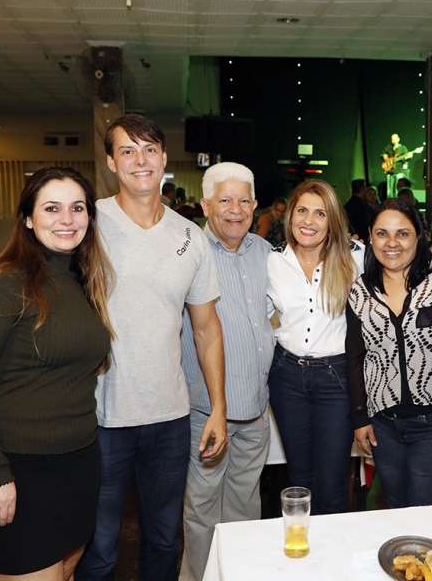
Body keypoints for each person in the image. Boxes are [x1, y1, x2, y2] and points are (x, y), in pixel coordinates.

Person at [0, 114, 229, 581]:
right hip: (97, 419)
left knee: (161, 538)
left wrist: (217, 406)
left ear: (163, 159)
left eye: (150, 150)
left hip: (168, 416)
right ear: (111, 163)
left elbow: (207, 329)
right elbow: (21, 270)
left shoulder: (190, 236)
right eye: (127, 151)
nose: (140, 161)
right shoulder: (85, 222)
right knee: (96, 549)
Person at [0, 167, 113, 579]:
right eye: (52, 208)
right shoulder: (5, 286)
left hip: (76, 468)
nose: (67, 219)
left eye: (77, 208)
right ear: (27, 218)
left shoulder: (83, 282)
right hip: (16, 475)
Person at [178, 163, 274, 581]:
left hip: (256, 411)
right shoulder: (187, 253)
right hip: (206, 412)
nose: (234, 210)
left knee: (245, 508)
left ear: (254, 205)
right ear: (205, 205)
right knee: (201, 513)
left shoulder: (265, 253)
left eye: (243, 200)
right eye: (224, 200)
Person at [346, 201, 432, 508]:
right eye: (382, 233)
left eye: (403, 233)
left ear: (419, 237)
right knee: (396, 509)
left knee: (426, 510)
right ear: (370, 238)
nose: (392, 242)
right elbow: (356, 357)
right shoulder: (359, 291)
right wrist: (360, 418)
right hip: (384, 424)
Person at [267, 180, 365, 514]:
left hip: (336, 379)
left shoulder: (356, 259)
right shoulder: (272, 262)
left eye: (320, 213)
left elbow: (401, 263)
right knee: (297, 477)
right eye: (302, 211)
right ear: (290, 215)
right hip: (286, 377)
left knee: (333, 479)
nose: (309, 221)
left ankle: (331, 560)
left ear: (332, 220)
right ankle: (301, 556)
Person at [381, 133, 412, 198]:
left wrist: (408, 157)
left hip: (399, 171)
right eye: (392, 138)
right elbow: (384, 154)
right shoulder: (389, 147)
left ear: (398, 139)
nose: (393, 140)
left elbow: (407, 157)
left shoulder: (403, 148)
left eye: (394, 138)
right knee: (389, 190)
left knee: (397, 189)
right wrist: (387, 159)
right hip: (390, 171)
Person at [344, 178, 372, 243]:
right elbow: (363, 225)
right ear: (363, 189)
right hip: (360, 240)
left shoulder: (349, 203)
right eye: (366, 187)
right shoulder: (361, 205)